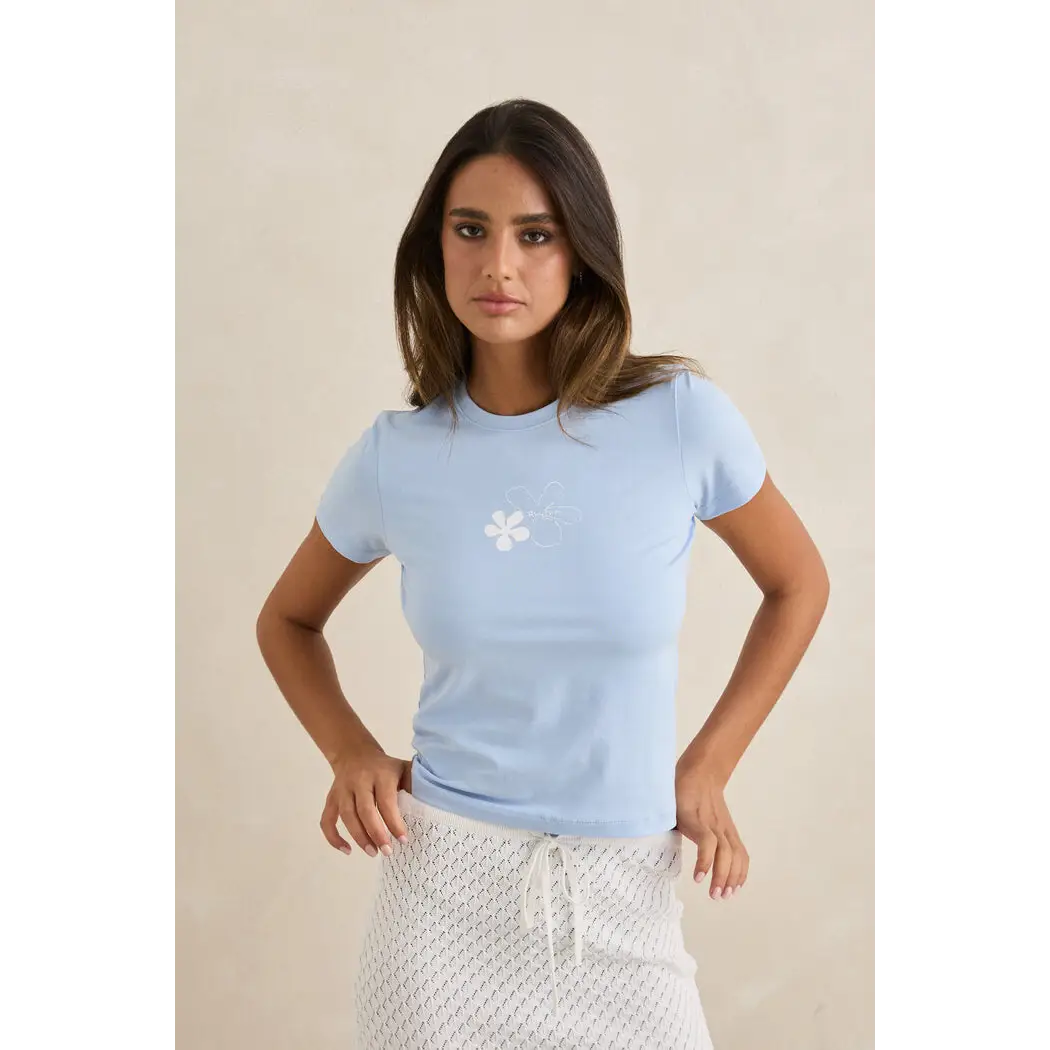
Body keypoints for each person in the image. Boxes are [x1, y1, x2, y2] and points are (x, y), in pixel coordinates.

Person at [256, 98, 829, 1050]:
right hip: (440, 907)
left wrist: (708, 766)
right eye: (469, 230)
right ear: (434, 247)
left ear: (582, 252)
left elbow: (798, 582)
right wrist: (350, 753)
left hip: (625, 899)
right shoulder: (398, 456)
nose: (499, 265)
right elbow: (287, 620)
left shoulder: (679, 419)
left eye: (536, 234)